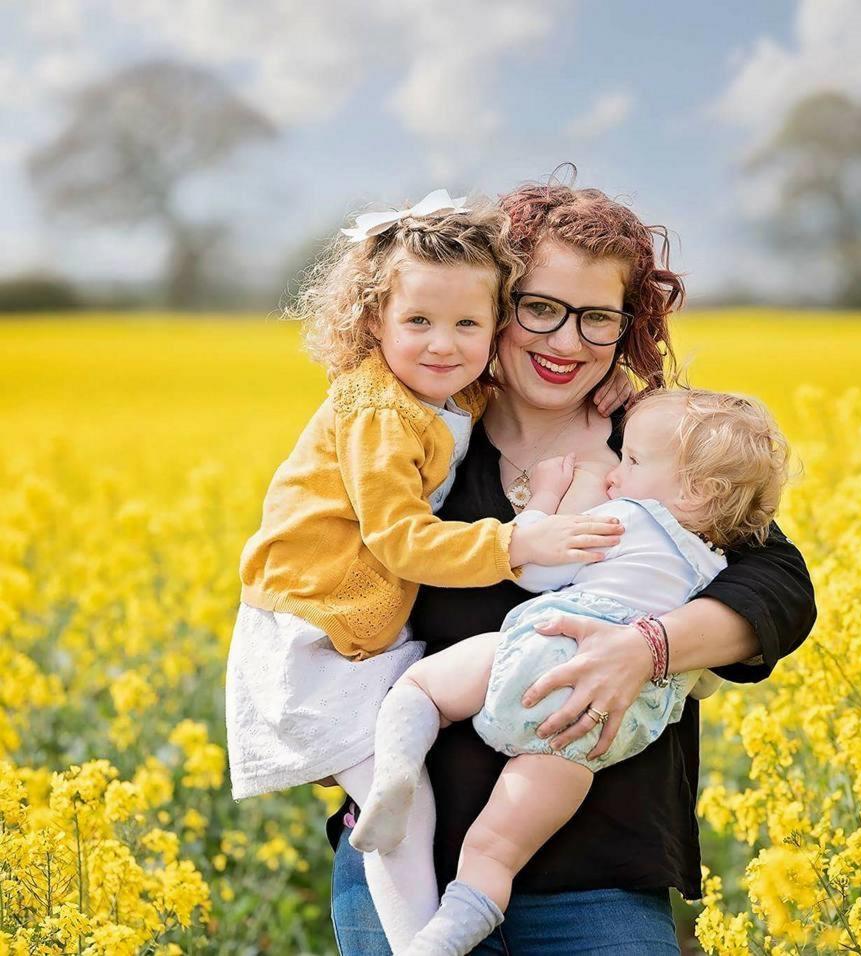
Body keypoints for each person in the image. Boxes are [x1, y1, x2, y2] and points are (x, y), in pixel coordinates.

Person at [328, 181, 817, 955]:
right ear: (495, 303)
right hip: (407, 867)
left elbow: (777, 586)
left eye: (598, 317)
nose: (567, 342)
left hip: (601, 876)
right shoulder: (420, 437)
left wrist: (647, 649)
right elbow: (317, 576)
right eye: (541, 308)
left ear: (630, 326)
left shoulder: (663, 447)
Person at [224, 189, 627, 952]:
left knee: (402, 780)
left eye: (468, 324)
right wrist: (519, 543)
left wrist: (599, 401)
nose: (444, 344)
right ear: (371, 320)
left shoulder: (435, 394)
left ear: (493, 327)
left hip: (356, 628)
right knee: (398, 814)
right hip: (319, 632)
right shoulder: (376, 413)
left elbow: (496, 389)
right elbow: (404, 541)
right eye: (418, 322)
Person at [351, 387, 790, 955]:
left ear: (693, 490)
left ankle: (394, 778)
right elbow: (706, 672)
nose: (615, 472)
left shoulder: (624, 518)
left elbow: (534, 573)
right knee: (495, 851)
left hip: (535, 653)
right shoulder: (712, 567)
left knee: (421, 688)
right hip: (590, 728)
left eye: (630, 462)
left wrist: (552, 498)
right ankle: (444, 939)